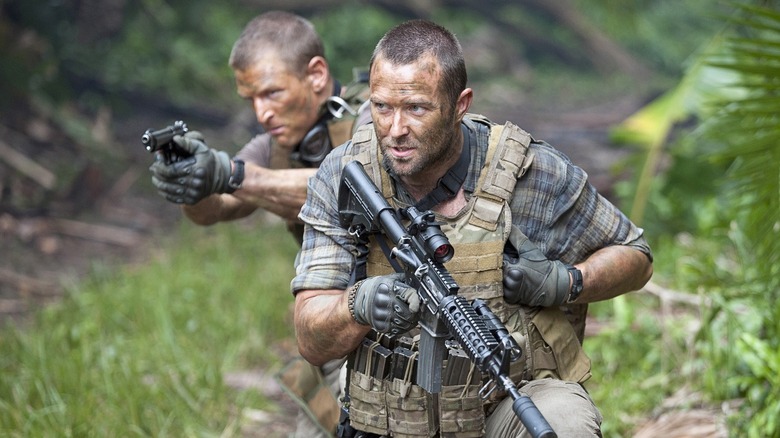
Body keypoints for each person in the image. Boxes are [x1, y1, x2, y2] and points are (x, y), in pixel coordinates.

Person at [292, 19, 653, 437]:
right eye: (382, 107)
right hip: (387, 417)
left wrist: (568, 281)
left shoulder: (531, 172)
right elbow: (310, 336)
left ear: (460, 104)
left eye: (417, 108)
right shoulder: (346, 172)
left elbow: (636, 256)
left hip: (502, 405)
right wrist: (357, 305)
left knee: (564, 424)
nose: (395, 130)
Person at [147, 11, 370, 437]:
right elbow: (215, 209)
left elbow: (352, 186)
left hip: (397, 317)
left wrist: (230, 173)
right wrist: (191, 182)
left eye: (272, 93)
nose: (261, 112)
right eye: (250, 99)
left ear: (316, 75)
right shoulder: (275, 146)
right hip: (329, 326)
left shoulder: (376, 115)